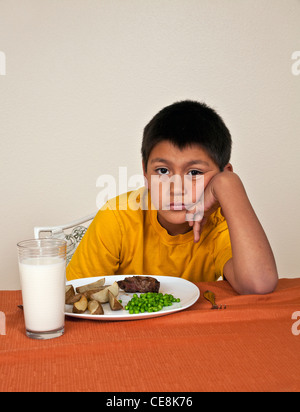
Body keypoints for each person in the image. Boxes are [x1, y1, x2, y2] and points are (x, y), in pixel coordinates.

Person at [67, 100, 278, 295]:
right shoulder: (117, 217)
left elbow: (258, 285)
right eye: (162, 170)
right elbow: (74, 294)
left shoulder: (219, 224)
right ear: (145, 173)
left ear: (223, 173)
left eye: (194, 173)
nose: (176, 189)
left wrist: (229, 185)